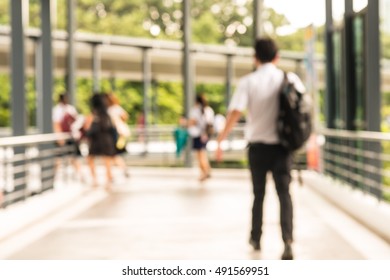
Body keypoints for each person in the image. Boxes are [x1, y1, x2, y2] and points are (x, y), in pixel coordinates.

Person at [216, 38, 306, 260]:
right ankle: (287, 241)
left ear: (255, 57)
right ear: (277, 56)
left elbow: (235, 112)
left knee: (258, 195)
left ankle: (256, 237)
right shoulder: (289, 78)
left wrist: (220, 140)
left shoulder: (248, 81)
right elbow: (304, 108)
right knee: (284, 195)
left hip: (257, 148)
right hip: (283, 148)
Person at [84, 93, 116, 189]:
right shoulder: (107, 113)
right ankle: (109, 178)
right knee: (107, 159)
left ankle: (95, 180)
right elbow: (113, 127)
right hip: (107, 139)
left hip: (96, 140)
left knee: (90, 158)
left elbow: (87, 127)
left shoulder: (93, 114)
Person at [52, 93, 83, 180]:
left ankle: (79, 175)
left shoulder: (70, 109)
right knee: (58, 157)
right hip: (62, 136)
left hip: (71, 136)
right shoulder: (57, 109)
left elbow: (76, 121)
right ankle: (56, 176)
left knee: (74, 156)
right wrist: (59, 136)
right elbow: (56, 124)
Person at [188, 94, 214, 181]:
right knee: (203, 153)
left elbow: (193, 122)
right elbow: (210, 123)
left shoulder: (195, 110)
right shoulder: (209, 110)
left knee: (200, 155)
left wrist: (184, 123)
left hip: (198, 134)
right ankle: (207, 170)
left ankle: (204, 172)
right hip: (206, 134)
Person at [105, 93, 130, 177]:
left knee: (112, 154)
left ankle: (112, 173)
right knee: (113, 154)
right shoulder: (116, 108)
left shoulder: (109, 109)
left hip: (114, 134)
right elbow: (125, 116)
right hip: (118, 133)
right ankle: (120, 169)